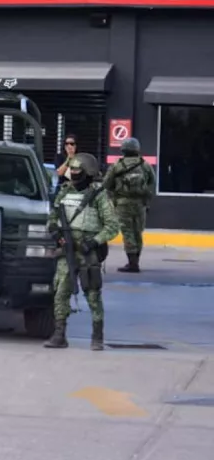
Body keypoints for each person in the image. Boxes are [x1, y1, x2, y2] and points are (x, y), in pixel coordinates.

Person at [45, 153, 119, 351]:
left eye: (78, 172)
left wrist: (94, 242)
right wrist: (55, 232)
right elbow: (52, 217)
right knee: (60, 291)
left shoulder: (98, 195)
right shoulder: (64, 191)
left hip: (88, 251)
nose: (75, 176)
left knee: (92, 293)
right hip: (67, 249)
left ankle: (97, 336)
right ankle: (59, 334)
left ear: (88, 173)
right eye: (73, 171)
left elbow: (112, 227)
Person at [104, 137, 156, 274]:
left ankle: (132, 263)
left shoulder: (118, 165)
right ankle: (136, 260)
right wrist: (146, 198)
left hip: (122, 204)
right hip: (140, 204)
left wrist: (113, 196)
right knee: (138, 232)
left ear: (123, 149)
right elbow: (152, 182)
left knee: (128, 232)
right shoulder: (145, 165)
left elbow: (107, 184)